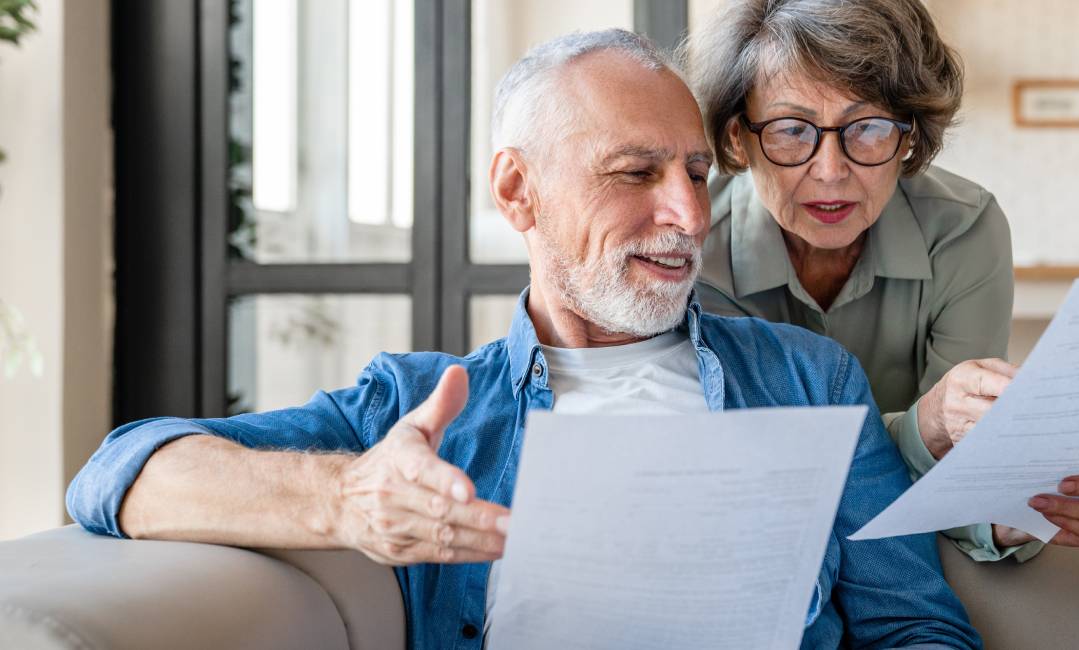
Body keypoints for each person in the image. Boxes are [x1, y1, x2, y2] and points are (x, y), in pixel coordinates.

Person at [67, 30, 982, 650]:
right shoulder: (419, 410)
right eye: (636, 173)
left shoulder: (811, 379)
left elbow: (916, 627)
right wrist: (347, 498)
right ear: (518, 193)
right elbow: (117, 472)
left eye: (697, 173)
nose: (687, 214)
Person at [688, 0, 1079, 561]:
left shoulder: (964, 228)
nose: (830, 171)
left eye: (870, 128)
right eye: (790, 130)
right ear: (737, 137)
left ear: (909, 137)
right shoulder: (692, 246)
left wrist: (1011, 515)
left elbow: (969, 465)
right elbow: (753, 478)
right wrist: (923, 430)